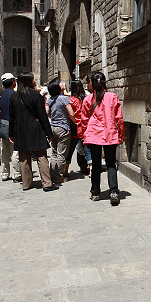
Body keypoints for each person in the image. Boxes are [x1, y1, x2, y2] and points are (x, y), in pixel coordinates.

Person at [80, 72, 125, 205]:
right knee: (111, 163)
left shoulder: (88, 99)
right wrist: (121, 135)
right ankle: (114, 191)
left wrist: (84, 136)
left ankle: (95, 192)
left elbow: (84, 120)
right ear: (105, 82)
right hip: (109, 134)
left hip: (94, 135)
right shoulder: (112, 97)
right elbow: (119, 118)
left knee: (96, 164)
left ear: (92, 84)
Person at [9, 72, 56, 192]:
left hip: (20, 130)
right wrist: (48, 132)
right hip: (35, 128)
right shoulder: (35, 96)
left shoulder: (14, 97)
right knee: (41, 155)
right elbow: (42, 116)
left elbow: (11, 117)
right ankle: (47, 183)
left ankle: (26, 183)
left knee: (23, 157)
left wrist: (11, 133)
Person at [46, 81, 76, 183]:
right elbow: (71, 113)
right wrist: (75, 122)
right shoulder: (64, 98)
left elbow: (47, 112)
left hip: (53, 127)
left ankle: (52, 174)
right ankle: (58, 176)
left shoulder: (50, 100)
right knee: (62, 154)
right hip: (63, 127)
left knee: (54, 153)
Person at [0, 73, 21, 182]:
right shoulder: (14, 95)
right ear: (12, 82)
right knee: (15, 150)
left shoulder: (2, 96)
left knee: (5, 150)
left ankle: (4, 173)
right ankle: (17, 173)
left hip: (3, 124)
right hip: (13, 124)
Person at [64, 79, 86, 179]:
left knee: (70, 149)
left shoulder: (71, 100)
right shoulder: (85, 99)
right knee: (86, 149)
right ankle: (89, 168)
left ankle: (65, 170)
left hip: (74, 126)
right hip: (84, 126)